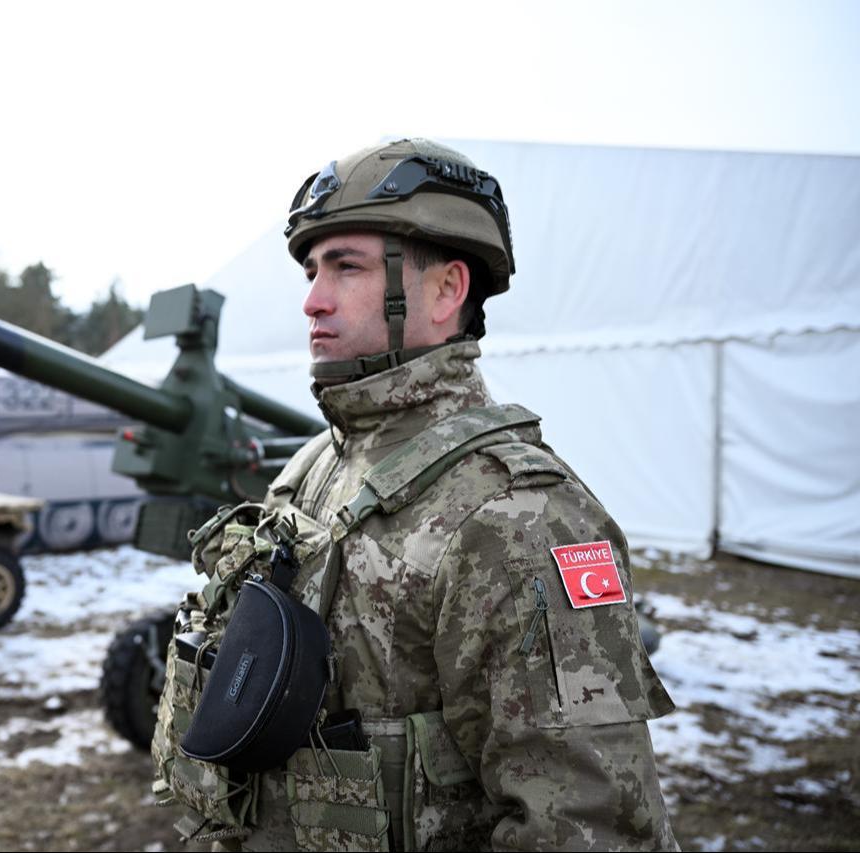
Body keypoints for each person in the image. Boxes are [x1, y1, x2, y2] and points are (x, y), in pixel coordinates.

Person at [152, 138, 678, 852]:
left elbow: (590, 822)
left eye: (347, 267)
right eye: (312, 270)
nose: (313, 299)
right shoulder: (313, 467)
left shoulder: (519, 514)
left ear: (445, 289)